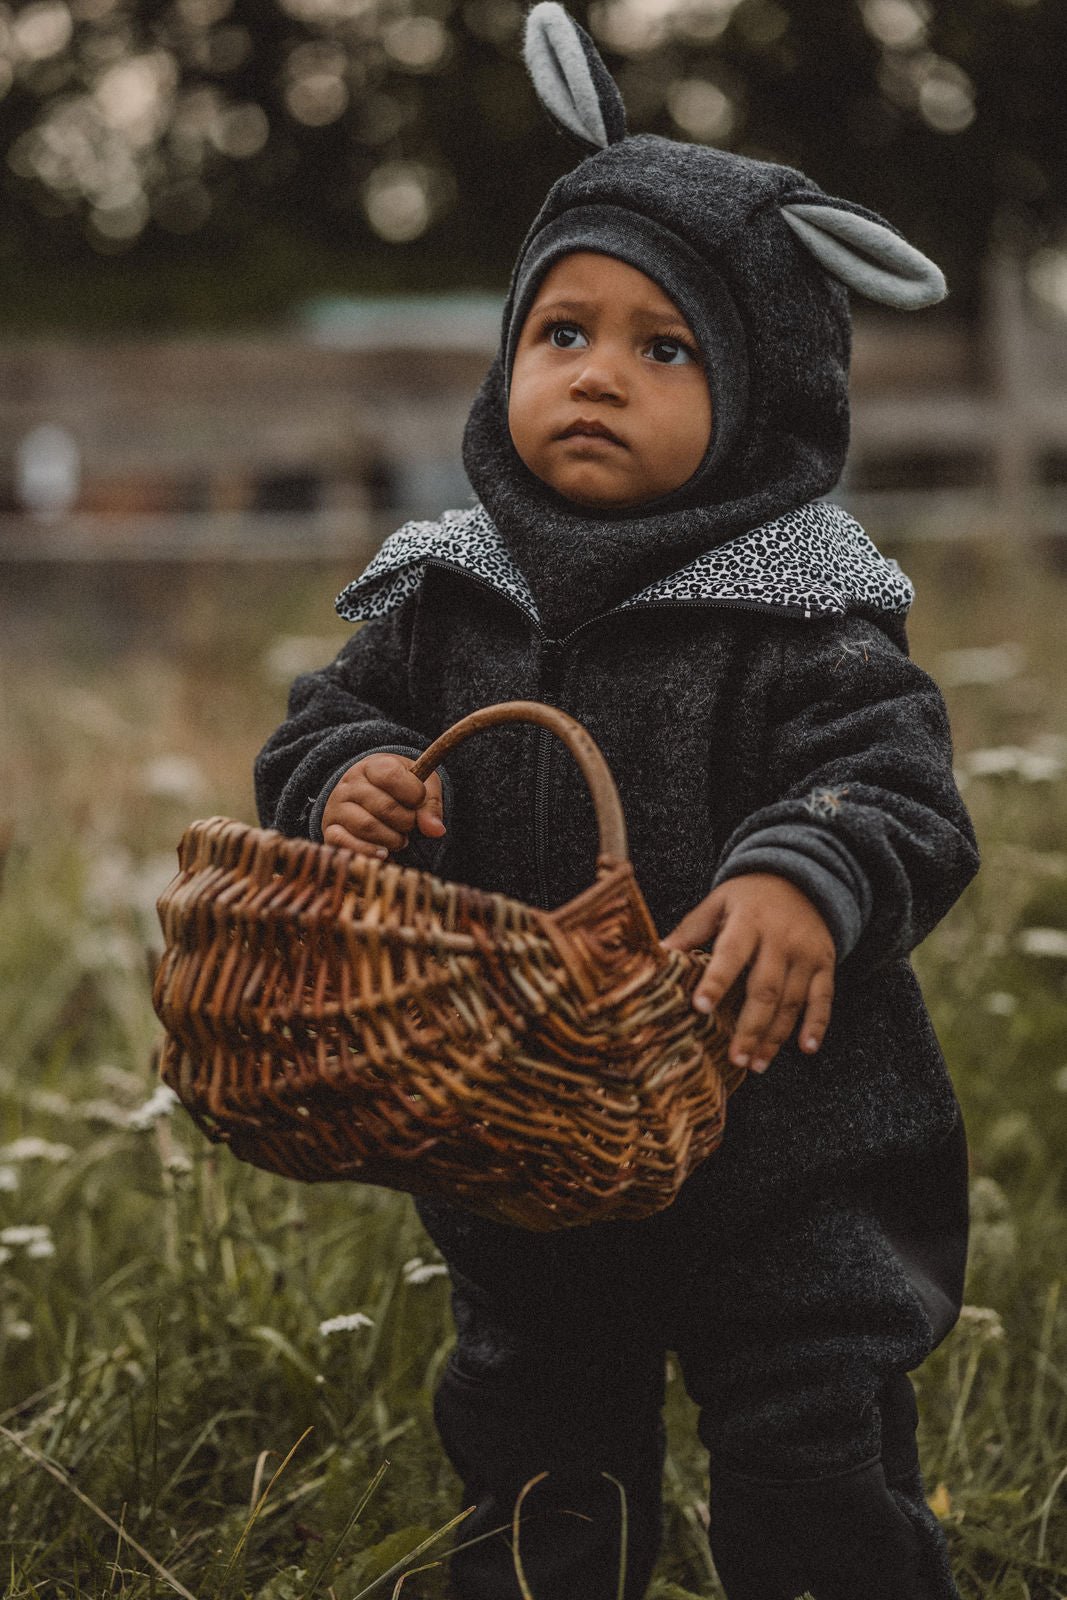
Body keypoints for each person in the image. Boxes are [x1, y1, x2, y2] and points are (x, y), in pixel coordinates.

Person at [254, 7, 979, 1597]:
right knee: (534, 1426)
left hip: (788, 1151)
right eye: (562, 331)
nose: (597, 376)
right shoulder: (451, 593)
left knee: (811, 1439)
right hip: (529, 1136)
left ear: (767, 391)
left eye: (667, 349)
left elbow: (900, 785)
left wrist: (805, 871)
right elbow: (331, 718)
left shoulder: (804, 609)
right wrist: (344, 785)